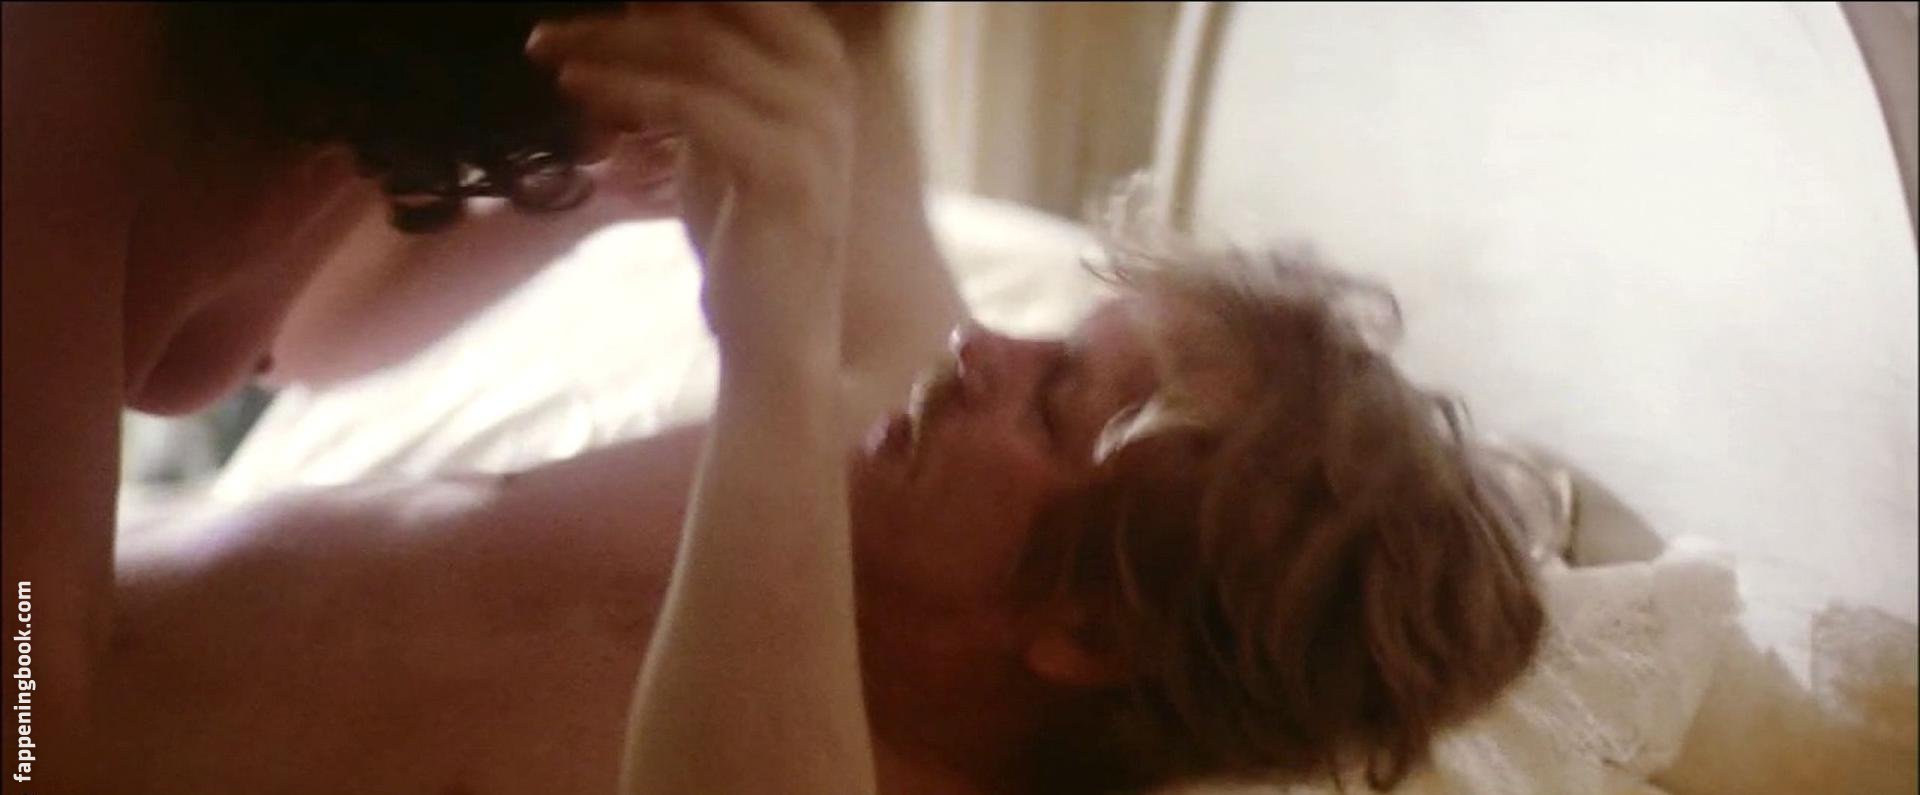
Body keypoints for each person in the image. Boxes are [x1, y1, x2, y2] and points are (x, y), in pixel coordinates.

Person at [90, 5, 1545, 795]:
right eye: (1048, 336)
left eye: (1056, 401)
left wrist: (774, 351)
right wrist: (577, 190)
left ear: (1092, 629)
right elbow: (309, 342)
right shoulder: (882, 389)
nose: (978, 349)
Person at [1, 3, 671, 789]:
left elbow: (295, 335)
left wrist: (599, 194)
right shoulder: (55, 58)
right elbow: (26, 700)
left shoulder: (359, 88)